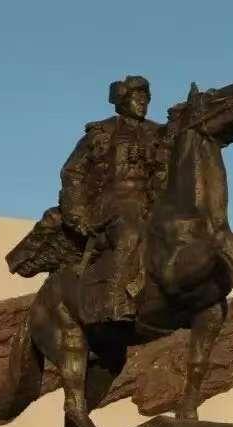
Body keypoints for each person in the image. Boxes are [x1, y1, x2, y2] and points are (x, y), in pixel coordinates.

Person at [59, 75, 167, 323]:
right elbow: (73, 172)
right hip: (112, 201)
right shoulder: (102, 132)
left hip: (149, 199)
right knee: (131, 232)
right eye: (136, 97)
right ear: (122, 100)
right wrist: (77, 213)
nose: (143, 102)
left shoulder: (157, 132)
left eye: (146, 97)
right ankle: (116, 298)